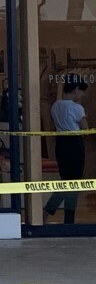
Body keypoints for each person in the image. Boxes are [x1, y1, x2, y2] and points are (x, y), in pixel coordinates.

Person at [44, 78, 88, 224]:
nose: (81, 95)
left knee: (66, 181)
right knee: (73, 183)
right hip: (74, 144)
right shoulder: (77, 108)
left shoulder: (55, 106)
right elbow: (85, 128)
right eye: (81, 91)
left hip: (61, 144)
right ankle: (65, 218)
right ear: (75, 89)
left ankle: (53, 212)